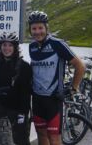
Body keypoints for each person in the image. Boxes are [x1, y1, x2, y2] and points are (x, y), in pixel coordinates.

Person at [28, 11, 85, 145]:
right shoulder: (32, 47)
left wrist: (74, 88)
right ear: (30, 30)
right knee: (41, 134)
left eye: (40, 28)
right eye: (34, 28)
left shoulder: (57, 44)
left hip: (53, 100)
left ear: (46, 28)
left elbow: (80, 66)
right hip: (36, 98)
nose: (37, 32)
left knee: (54, 138)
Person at [0, 31, 32, 145]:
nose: (6, 48)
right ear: (0, 46)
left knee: (21, 138)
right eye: (4, 45)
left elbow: (26, 94)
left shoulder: (24, 66)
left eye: (10, 45)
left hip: (17, 108)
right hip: (1, 104)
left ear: (15, 47)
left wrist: (23, 113)